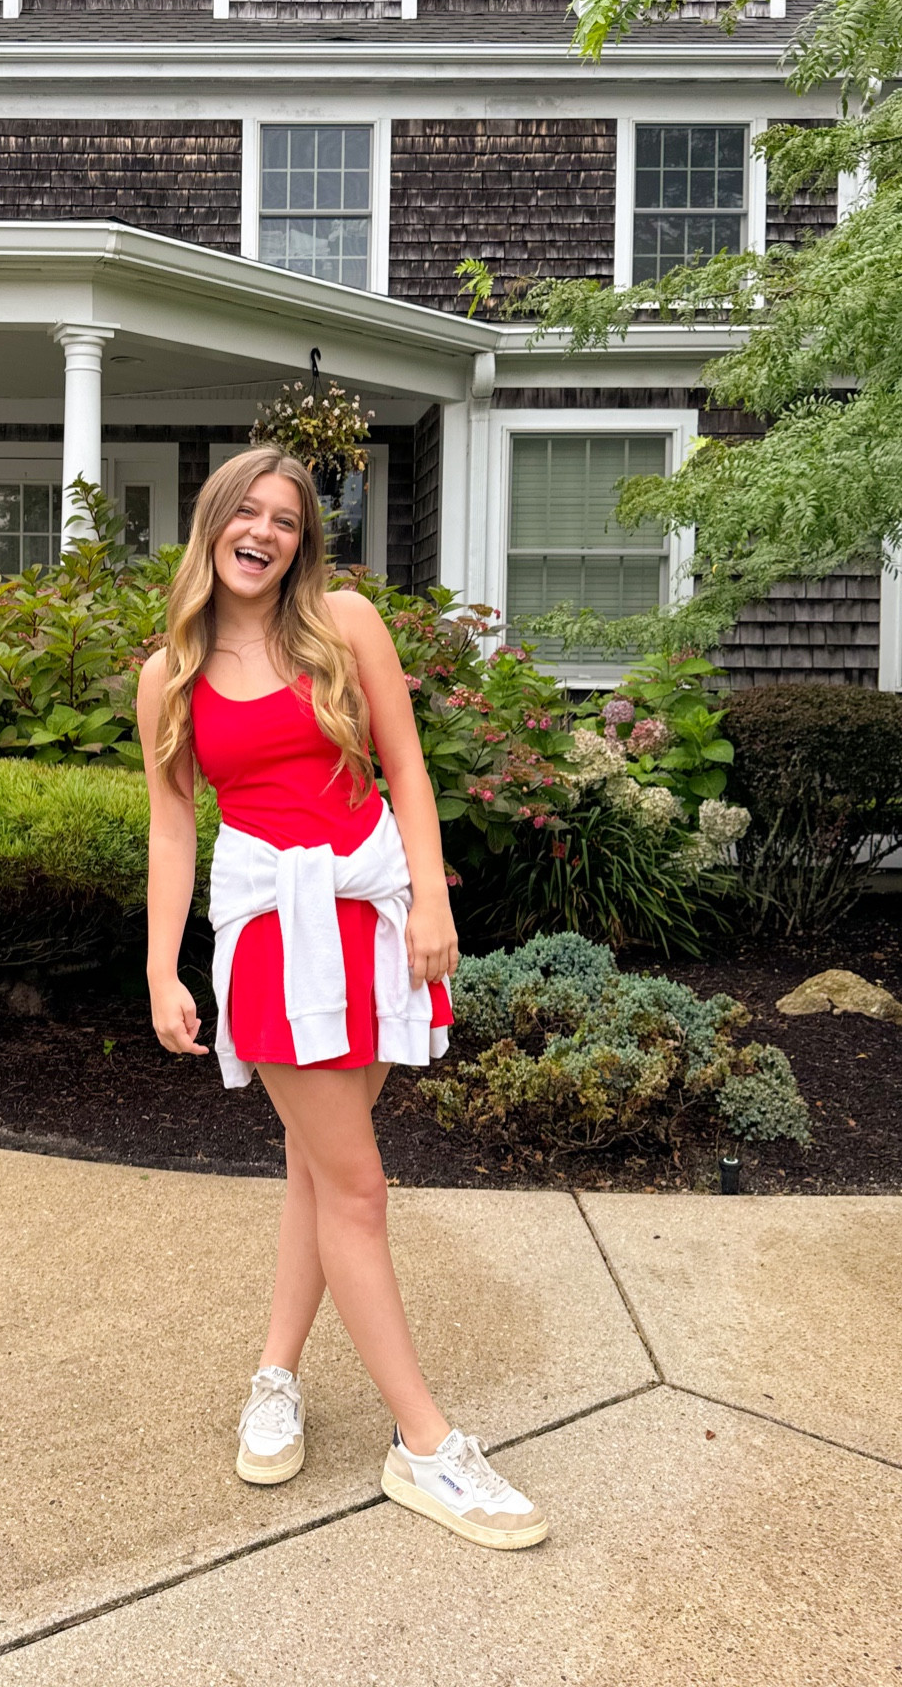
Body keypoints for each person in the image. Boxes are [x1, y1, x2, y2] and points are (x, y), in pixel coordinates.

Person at [136, 447, 546, 1552]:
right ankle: (426, 1445)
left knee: (316, 1170)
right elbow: (174, 826)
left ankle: (275, 1375)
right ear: (215, 523)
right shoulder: (168, 672)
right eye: (247, 511)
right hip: (274, 930)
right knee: (357, 1185)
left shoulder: (346, 623)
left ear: (301, 536)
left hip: (369, 912)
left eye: (286, 516)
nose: (264, 529)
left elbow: (406, 769)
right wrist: (161, 963)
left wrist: (426, 901)